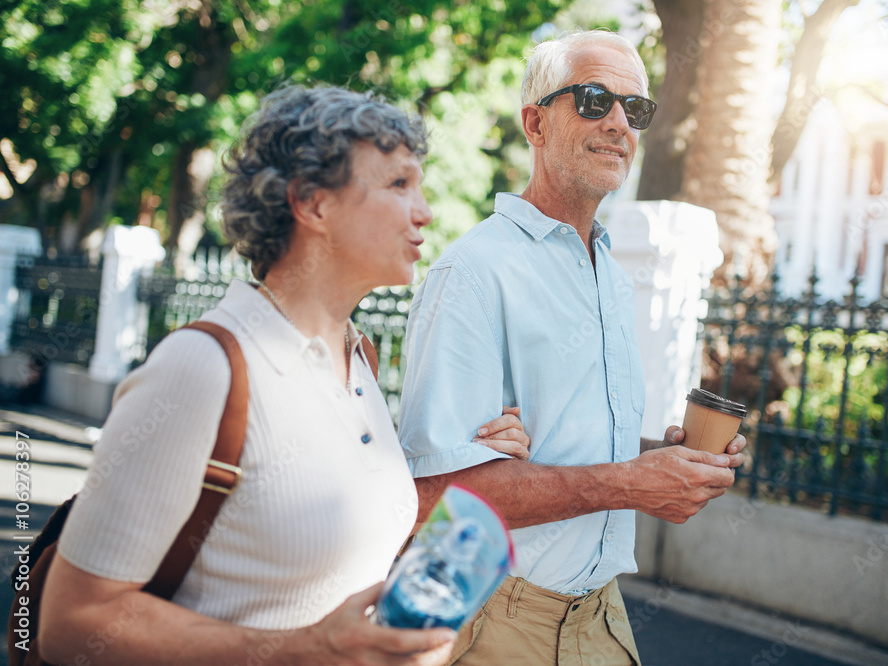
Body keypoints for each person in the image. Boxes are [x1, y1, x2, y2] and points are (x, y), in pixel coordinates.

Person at [38, 85, 529, 666]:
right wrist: (300, 651)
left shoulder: (358, 364)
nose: (424, 210)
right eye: (399, 184)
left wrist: (468, 465)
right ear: (312, 203)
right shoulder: (203, 369)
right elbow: (72, 625)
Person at [397, 30, 747, 665]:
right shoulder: (473, 273)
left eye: (634, 109)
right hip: (490, 611)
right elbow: (434, 495)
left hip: (602, 613)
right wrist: (630, 485)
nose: (617, 122)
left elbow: (573, 443)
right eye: (592, 100)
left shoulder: (609, 271)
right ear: (535, 122)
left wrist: (663, 463)